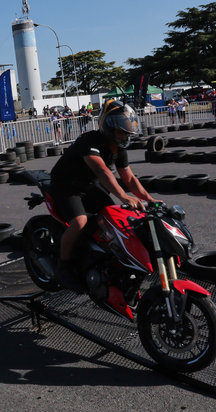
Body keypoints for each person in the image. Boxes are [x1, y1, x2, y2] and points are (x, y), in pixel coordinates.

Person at [48, 100, 161, 292]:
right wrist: (124, 197)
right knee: (80, 221)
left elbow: (129, 177)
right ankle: (63, 266)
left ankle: (99, 257)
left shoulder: (119, 148)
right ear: (109, 126)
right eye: (122, 130)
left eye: (128, 131)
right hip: (66, 185)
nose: (125, 135)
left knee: (113, 217)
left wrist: (149, 199)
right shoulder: (89, 141)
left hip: (89, 186)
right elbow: (101, 170)